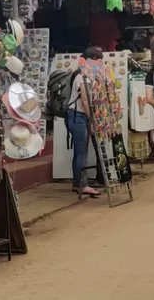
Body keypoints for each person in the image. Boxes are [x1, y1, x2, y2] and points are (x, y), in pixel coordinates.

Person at [67, 46, 105, 198]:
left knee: (80, 151)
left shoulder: (87, 75)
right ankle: (82, 185)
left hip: (79, 116)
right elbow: (84, 100)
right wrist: (92, 120)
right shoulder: (82, 76)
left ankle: (78, 184)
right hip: (78, 116)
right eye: (98, 60)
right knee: (81, 151)